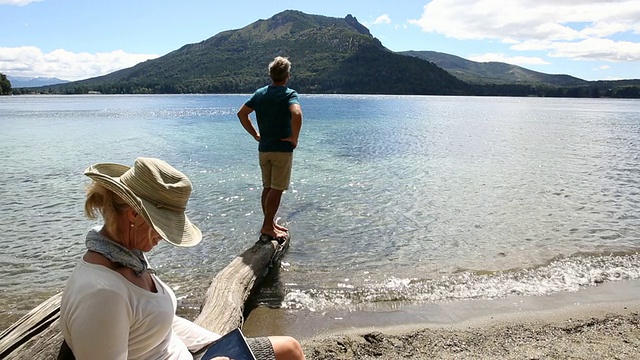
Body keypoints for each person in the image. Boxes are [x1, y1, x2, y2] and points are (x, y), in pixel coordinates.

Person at [59, 157, 305, 360]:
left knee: (290, 349)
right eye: (162, 226)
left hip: (195, 353)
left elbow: (157, 325)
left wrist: (216, 344)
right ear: (134, 214)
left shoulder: (127, 257)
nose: (164, 237)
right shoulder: (102, 294)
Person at [237, 56, 303, 240]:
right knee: (277, 188)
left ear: (271, 75)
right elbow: (296, 113)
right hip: (282, 149)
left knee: (268, 187)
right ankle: (267, 226)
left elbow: (242, 114)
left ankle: (269, 222)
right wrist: (294, 137)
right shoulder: (289, 94)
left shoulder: (260, 93)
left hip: (264, 149)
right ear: (287, 76)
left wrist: (255, 134)